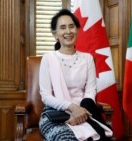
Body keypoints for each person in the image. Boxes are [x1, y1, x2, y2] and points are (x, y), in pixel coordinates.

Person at [38, 9, 112, 141]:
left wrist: (80, 113)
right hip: (55, 115)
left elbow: (90, 92)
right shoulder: (48, 58)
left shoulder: (87, 58)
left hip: (84, 113)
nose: (68, 31)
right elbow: (46, 96)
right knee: (66, 138)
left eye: (71, 26)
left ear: (77, 30)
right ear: (55, 34)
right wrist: (72, 108)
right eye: (62, 27)